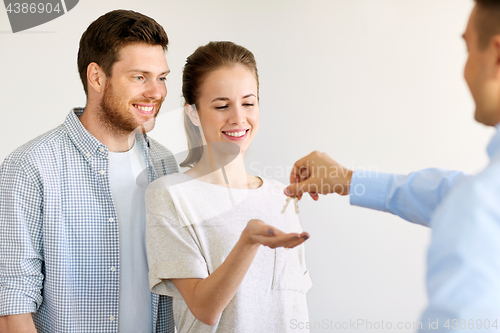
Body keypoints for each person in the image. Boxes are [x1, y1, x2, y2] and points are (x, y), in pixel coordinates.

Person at [284, 0, 500, 331]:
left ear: (497, 55)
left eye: (469, 50)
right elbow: (452, 193)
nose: (466, 69)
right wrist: (348, 179)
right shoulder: (478, 201)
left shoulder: (478, 208)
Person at [0, 10, 177, 333]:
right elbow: (13, 306)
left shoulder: (165, 164)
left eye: (161, 77)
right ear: (96, 77)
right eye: (140, 77)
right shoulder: (30, 166)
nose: (156, 92)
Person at [146, 41, 312, 333]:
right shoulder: (170, 195)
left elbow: (292, 310)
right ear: (193, 113)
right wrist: (247, 242)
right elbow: (204, 309)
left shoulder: (281, 196)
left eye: (248, 103)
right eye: (222, 106)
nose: (238, 118)